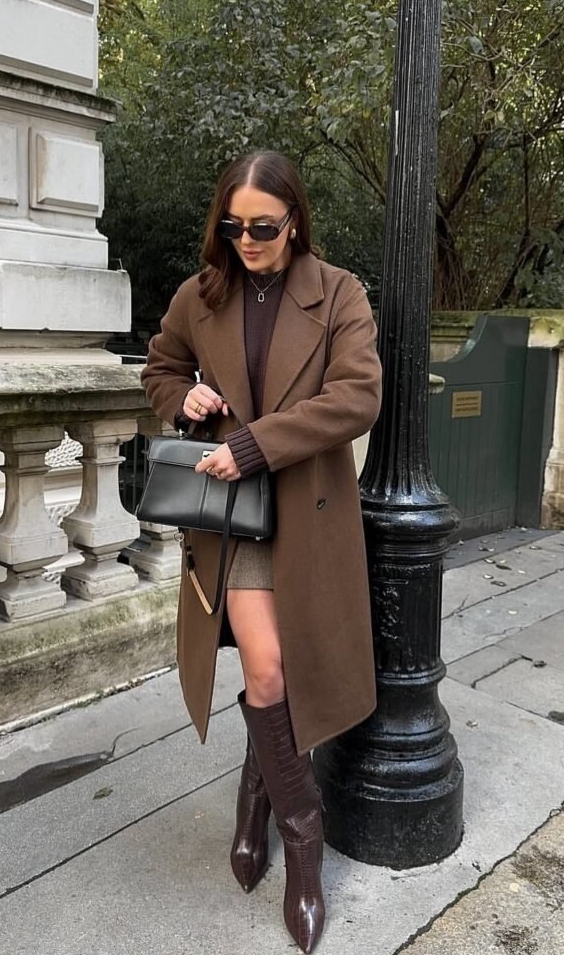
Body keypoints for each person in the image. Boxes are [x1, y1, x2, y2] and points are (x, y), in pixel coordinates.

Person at [141, 150, 382, 953]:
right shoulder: (201, 293)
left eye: (263, 227)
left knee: (291, 668)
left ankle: (256, 797)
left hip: (306, 507)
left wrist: (253, 443)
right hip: (233, 518)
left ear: (293, 221)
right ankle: (304, 848)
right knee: (268, 669)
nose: (246, 240)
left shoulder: (338, 291)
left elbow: (357, 395)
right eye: (233, 225)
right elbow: (161, 365)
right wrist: (186, 400)